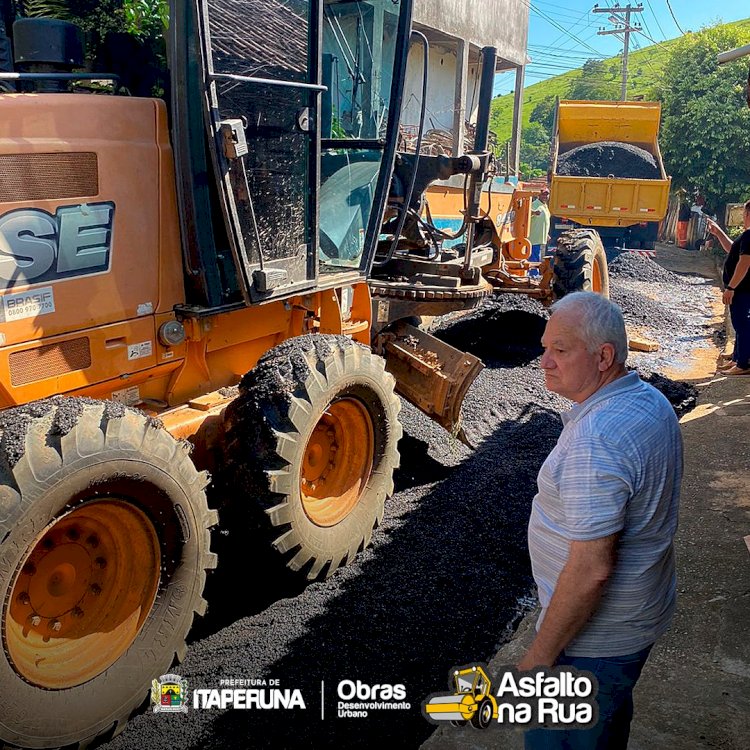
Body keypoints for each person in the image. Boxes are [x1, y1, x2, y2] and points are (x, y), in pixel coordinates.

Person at [520, 292, 683, 750]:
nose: (544, 362)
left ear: (604, 356)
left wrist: (538, 658)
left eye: (560, 350)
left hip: (592, 642)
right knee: (606, 722)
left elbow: (591, 570)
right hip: (636, 620)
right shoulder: (646, 399)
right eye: (545, 347)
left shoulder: (598, 437)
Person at [705, 201, 750, 376]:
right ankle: (737, 359)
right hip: (741, 288)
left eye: (744, 213)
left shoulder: (749, 236)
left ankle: (743, 363)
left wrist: (731, 287)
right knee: (739, 323)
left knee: (741, 323)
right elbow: (733, 250)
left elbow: (745, 262)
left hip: (741, 288)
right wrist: (719, 233)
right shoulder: (746, 236)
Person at [530, 187, 551, 264]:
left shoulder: (544, 205)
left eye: (547, 194)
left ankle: (535, 273)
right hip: (533, 238)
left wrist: (546, 234)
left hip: (540, 238)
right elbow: (526, 213)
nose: (545, 196)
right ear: (539, 195)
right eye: (543, 195)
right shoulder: (535, 204)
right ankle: (533, 274)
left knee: (538, 256)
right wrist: (534, 212)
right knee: (533, 257)